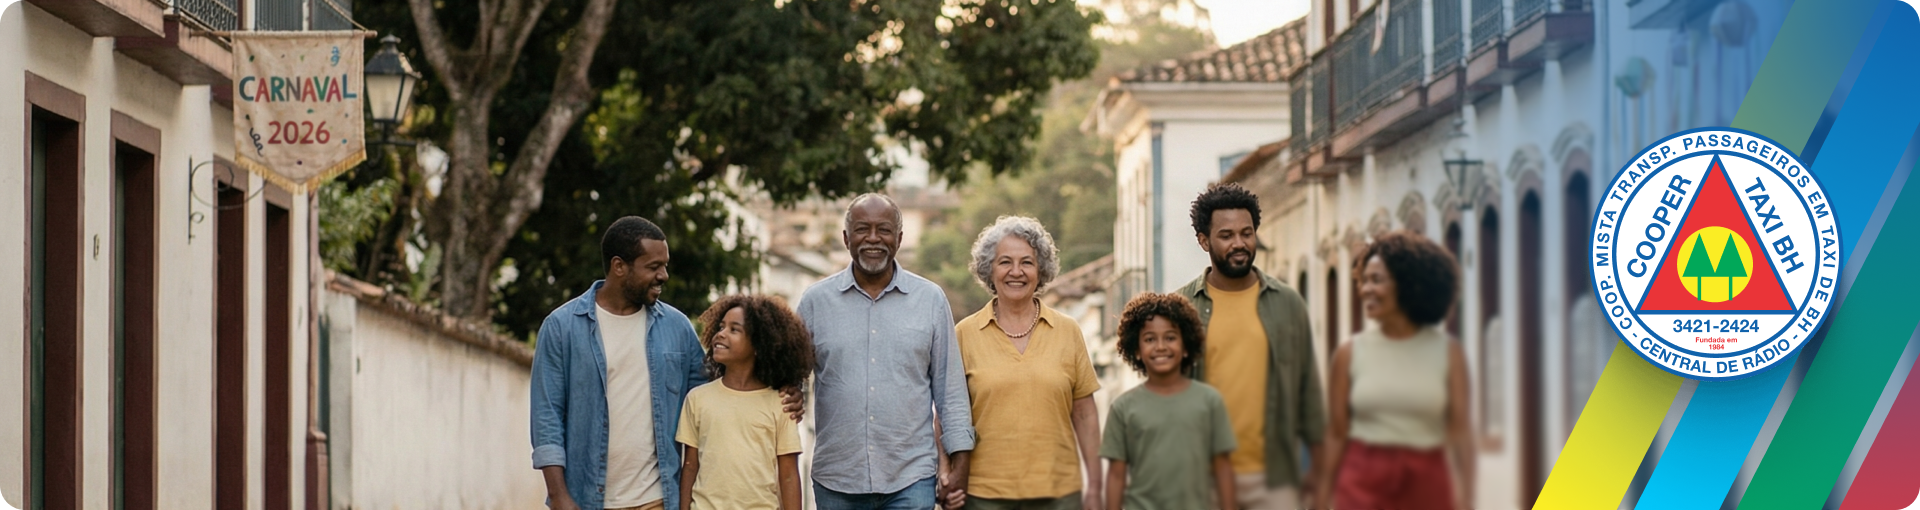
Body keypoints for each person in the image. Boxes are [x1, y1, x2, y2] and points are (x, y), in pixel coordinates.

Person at [789, 193, 976, 510]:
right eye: (862, 229)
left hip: (911, 480)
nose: (873, 239)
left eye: (884, 230)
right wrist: (795, 391)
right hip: (837, 481)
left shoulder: (930, 300)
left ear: (899, 239)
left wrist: (960, 467)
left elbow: (951, 392)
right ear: (847, 237)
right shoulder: (815, 302)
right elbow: (793, 374)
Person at [531, 216, 708, 510]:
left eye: (665, 266)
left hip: (659, 499)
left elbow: (710, 398)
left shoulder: (677, 328)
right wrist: (560, 496)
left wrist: (779, 388)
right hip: (587, 500)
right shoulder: (561, 327)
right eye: (653, 267)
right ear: (619, 266)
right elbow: (546, 418)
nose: (663, 275)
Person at [1175, 183, 1325, 510]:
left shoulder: (1287, 303)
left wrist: (1320, 476)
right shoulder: (1180, 306)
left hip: (1276, 479)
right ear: (1204, 241)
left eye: (1247, 233)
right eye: (1226, 235)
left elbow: (1309, 393)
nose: (1239, 244)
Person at [1316, 231, 1475, 510]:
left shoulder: (1448, 353)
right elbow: (1337, 432)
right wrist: (1322, 495)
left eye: (1376, 280)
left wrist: (1468, 498)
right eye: (1364, 280)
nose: (1365, 289)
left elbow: (1460, 431)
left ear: (1408, 284)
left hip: (1427, 480)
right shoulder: (1349, 353)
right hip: (1362, 480)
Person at [954, 216, 1103, 510]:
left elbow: (1085, 414)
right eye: (1005, 262)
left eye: (1027, 262)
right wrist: (947, 475)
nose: (1016, 272)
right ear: (989, 269)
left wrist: (1096, 488)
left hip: (1059, 493)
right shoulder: (964, 334)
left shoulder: (1068, 330)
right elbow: (947, 415)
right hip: (984, 495)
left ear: (1041, 270)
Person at [676, 295, 815, 510]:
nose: (720, 334)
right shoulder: (697, 398)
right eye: (721, 327)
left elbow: (788, 475)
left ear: (759, 345)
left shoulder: (781, 404)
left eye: (734, 329)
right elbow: (690, 466)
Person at [1101, 293, 1238, 510]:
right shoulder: (1123, 408)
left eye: (1170, 337)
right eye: (1149, 339)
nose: (1161, 346)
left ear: (1186, 346)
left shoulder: (1209, 401)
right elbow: (1116, 476)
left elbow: (1223, 469)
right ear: (1136, 350)